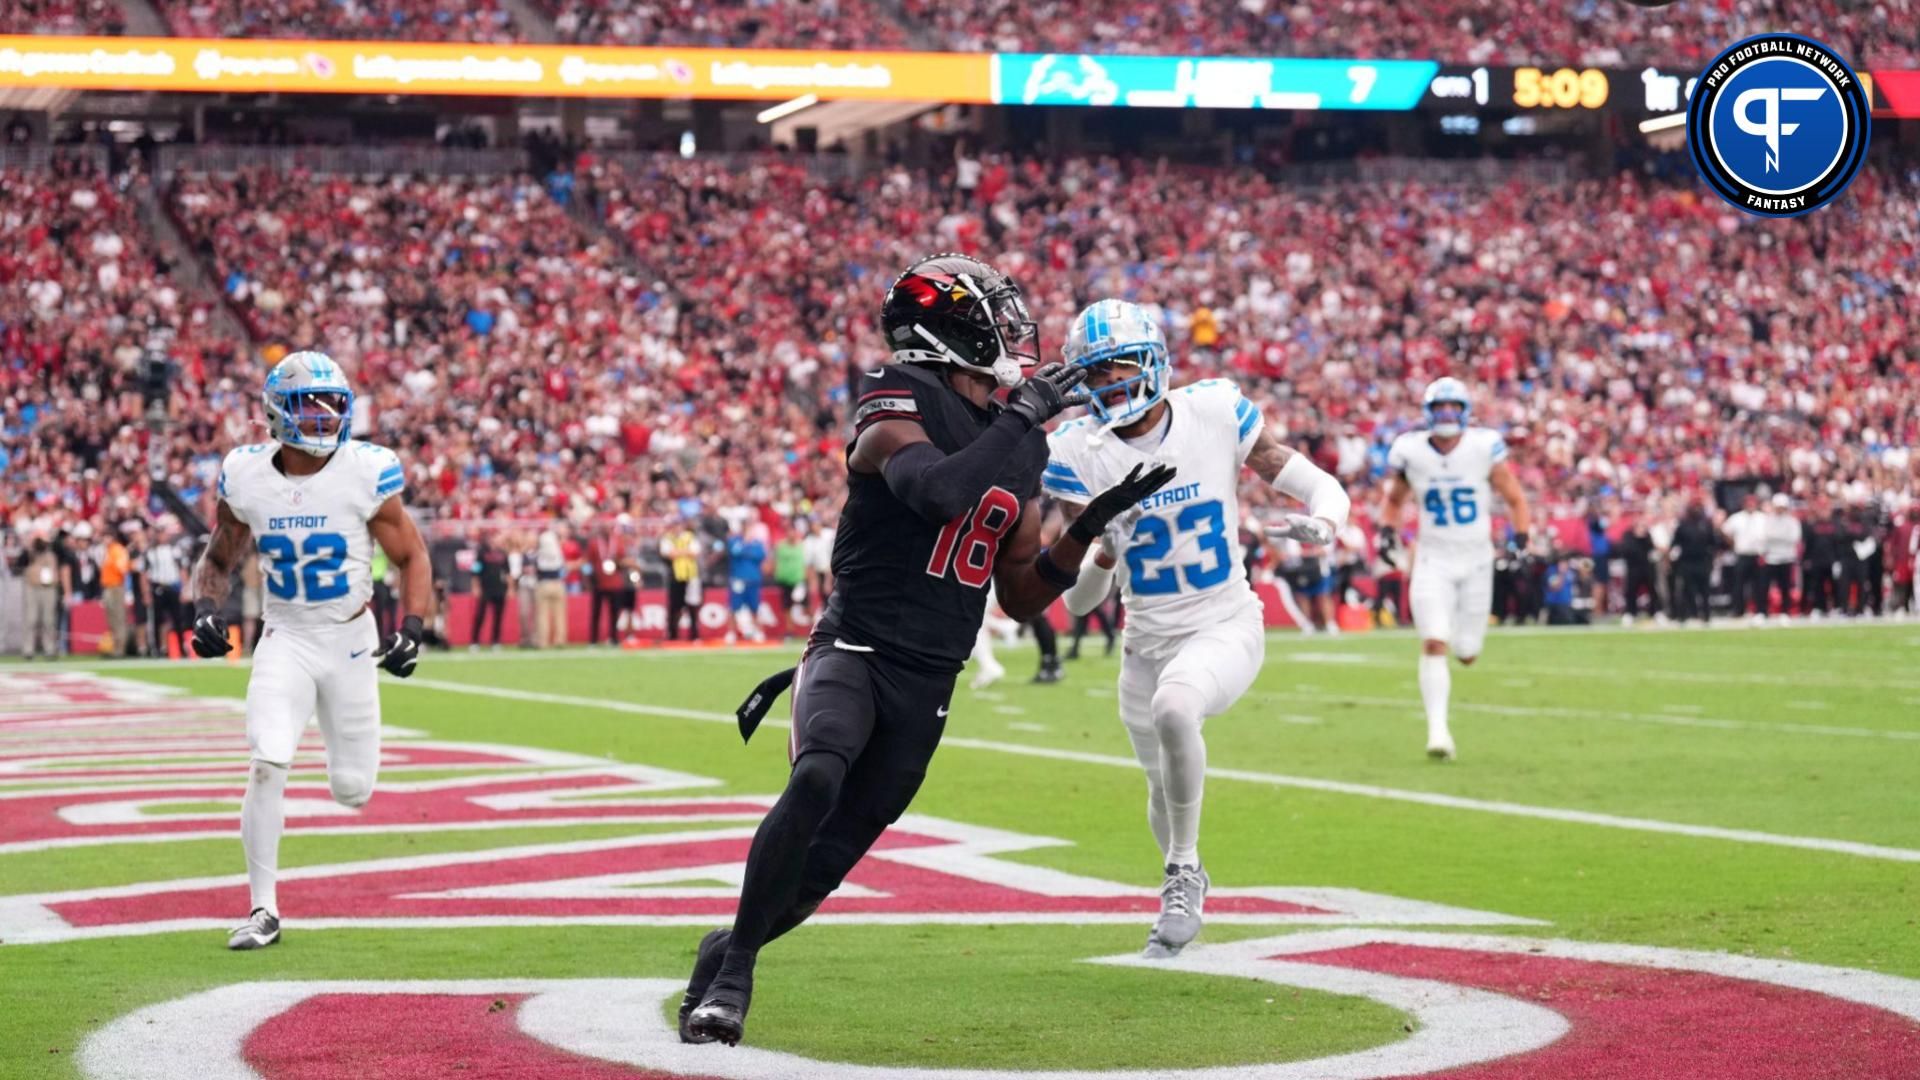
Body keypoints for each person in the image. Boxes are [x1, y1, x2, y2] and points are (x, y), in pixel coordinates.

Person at [678, 254, 1172, 1046]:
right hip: (855, 647)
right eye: (995, 319)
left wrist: (1088, 525)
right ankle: (735, 979)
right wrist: (1019, 419)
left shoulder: (1021, 445)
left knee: (826, 866)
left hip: (932, 676)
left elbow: (1017, 593)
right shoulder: (896, 395)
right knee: (816, 778)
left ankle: (723, 950)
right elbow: (935, 490)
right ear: (948, 332)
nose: (1014, 333)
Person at [1044, 298, 1350, 957]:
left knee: (1177, 708)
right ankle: (1187, 864)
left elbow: (1310, 482)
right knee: (1160, 781)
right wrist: (1098, 538)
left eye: (1118, 367)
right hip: (1144, 642)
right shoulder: (1078, 451)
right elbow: (1076, 602)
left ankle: (1181, 872)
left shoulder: (1212, 412)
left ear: (1154, 362)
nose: (1108, 385)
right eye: (1094, 375)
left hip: (1224, 624)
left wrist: (1326, 523)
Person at [186, 351, 432, 951]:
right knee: (267, 761)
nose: (323, 419)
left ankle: (342, 774)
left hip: (350, 639)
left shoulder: (365, 470)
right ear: (275, 412)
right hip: (285, 638)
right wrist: (205, 611)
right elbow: (219, 557)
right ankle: (263, 908)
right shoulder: (247, 475)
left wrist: (414, 626)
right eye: (308, 406)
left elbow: (412, 556)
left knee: (353, 789)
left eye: (333, 406)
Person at [1378, 376, 1533, 761]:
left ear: (1465, 413)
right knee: (1434, 640)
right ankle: (1438, 732)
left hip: (1477, 559)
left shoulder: (1483, 447)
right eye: (1440, 407)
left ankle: (1457, 675)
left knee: (1466, 651)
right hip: (1432, 557)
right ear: (1429, 413)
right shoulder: (1410, 451)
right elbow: (1394, 500)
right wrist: (1386, 531)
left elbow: (1514, 497)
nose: (1447, 414)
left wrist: (1522, 536)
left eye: (1454, 407)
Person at [1670, 501, 1717, 623]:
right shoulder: (1683, 525)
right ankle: (1684, 615)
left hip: (1703, 561)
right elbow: (1675, 543)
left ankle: (1706, 615)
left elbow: (1713, 543)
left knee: (1705, 591)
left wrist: (1711, 558)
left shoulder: (1706, 525)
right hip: (1687, 562)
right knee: (1686, 590)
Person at [1723, 494, 1767, 619]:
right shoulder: (1737, 518)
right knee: (1738, 584)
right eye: (1748, 503)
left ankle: (1760, 610)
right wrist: (1733, 543)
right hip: (1742, 554)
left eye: (1753, 503)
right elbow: (1725, 531)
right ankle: (1738, 610)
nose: (1750, 505)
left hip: (1758, 555)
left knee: (1759, 585)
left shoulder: (1762, 518)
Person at [585, 524, 629, 646]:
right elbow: (588, 563)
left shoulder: (617, 543)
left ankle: (613, 638)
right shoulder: (594, 543)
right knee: (596, 613)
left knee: (614, 613)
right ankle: (593, 640)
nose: (605, 530)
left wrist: (619, 564)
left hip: (615, 583)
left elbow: (623, 560)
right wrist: (589, 579)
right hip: (599, 583)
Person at [725, 525, 769, 644]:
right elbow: (734, 552)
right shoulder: (735, 541)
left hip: (753, 580)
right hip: (738, 579)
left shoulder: (757, 543)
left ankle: (757, 631)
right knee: (733, 607)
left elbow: (760, 555)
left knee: (754, 607)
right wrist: (745, 545)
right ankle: (731, 632)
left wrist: (745, 550)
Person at [1760, 494, 1801, 619]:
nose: (1780, 510)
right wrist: (1781, 538)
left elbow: (1794, 538)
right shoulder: (1768, 520)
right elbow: (1765, 537)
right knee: (1764, 586)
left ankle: (1785, 612)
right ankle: (1762, 612)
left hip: (1786, 558)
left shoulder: (1792, 521)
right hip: (1771, 558)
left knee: (1785, 587)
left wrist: (1775, 538)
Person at [661, 517, 701, 642]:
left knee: (693, 606)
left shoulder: (689, 536)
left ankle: (694, 635)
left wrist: (678, 552)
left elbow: (695, 552)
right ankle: (673, 634)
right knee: (675, 607)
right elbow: (668, 553)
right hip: (676, 576)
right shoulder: (667, 538)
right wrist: (686, 551)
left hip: (691, 576)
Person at [469, 532, 510, 648]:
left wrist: (510, 588)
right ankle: (474, 641)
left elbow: (507, 572)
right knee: (480, 615)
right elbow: (475, 571)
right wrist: (476, 587)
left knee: (498, 616)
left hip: (500, 588)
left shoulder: (503, 554)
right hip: (485, 588)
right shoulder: (482, 552)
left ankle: (496, 641)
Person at [533, 527, 568, 647]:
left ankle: (543, 641)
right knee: (559, 615)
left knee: (542, 615)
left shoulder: (540, 553)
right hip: (558, 583)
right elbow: (563, 567)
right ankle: (560, 639)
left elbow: (536, 568)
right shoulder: (558, 552)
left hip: (544, 583)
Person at [100, 526, 132, 657]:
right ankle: (115, 647)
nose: (104, 540)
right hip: (108, 587)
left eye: (106, 537)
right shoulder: (109, 551)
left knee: (118, 618)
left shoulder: (117, 550)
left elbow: (122, 568)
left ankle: (120, 648)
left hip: (116, 587)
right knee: (111, 619)